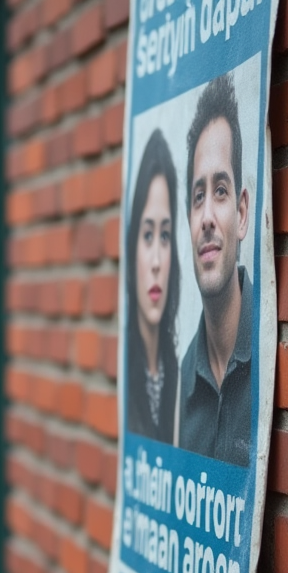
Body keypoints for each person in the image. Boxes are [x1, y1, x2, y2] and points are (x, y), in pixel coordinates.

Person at [179, 73, 252, 467]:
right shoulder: (179, 390)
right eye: (197, 196)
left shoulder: (278, 347)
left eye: (220, 191)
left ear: (241, 214)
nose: (207, 216)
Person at [125, 129, 181, 444]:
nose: (157, 261)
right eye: (147, 236)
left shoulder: (177, 372)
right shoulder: (125, 367)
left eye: (165, 235)